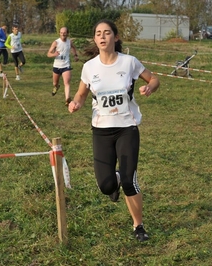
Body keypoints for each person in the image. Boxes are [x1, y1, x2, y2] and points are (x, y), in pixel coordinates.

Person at [68, 19, 160, 242]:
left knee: (129, 181)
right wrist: (77, 102)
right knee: (106, 185)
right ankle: (115, 178)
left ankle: (138, 226)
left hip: (127, 128)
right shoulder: (89, 67)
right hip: (101, 130)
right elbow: (81, 93)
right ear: (95, 39)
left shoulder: (129, 62)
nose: (102, 36)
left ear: (115, 37)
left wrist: (149, 86)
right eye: (98, 33)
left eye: (107, 32)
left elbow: (155, 78)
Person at [47, 27, 79, 106]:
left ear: (67, 33)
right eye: (61, 32)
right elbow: (48, 54)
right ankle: (56, 87)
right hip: (57, 66)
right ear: (59, 33)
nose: (63, 34)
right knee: (55, 83)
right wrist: (54, 54)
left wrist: (75, 55)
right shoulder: (56, 42)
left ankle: (67, 99)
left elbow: (74, 47)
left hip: (66, 65)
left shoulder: (69, 42)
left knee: (67, 83)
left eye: (64, 32)